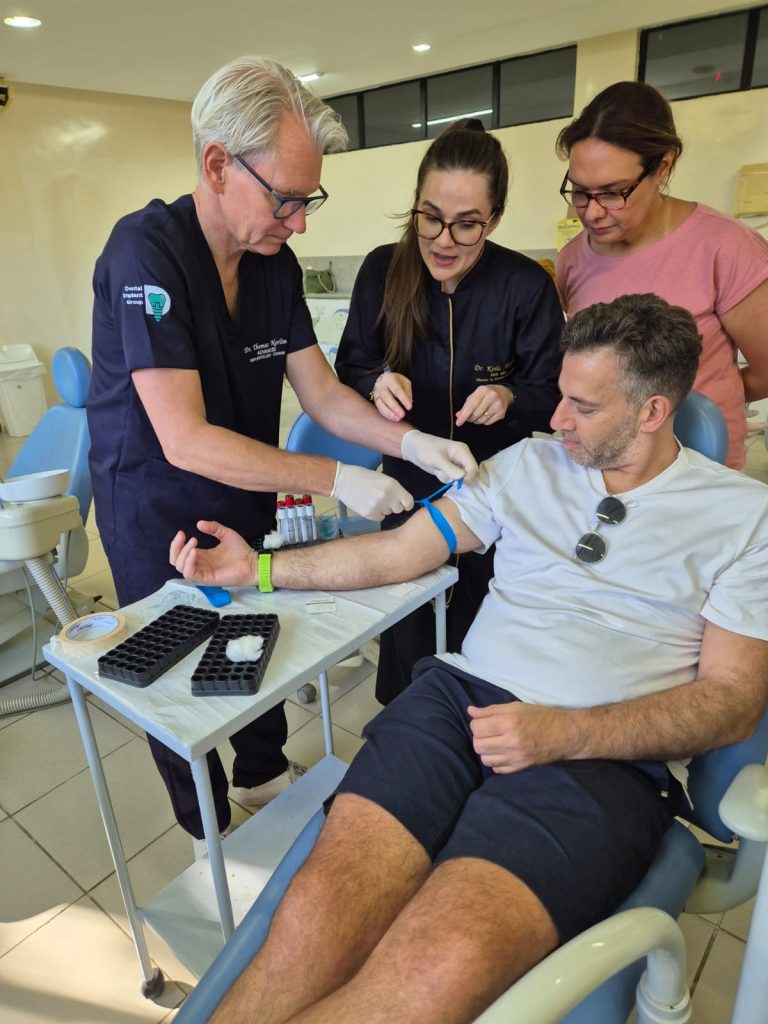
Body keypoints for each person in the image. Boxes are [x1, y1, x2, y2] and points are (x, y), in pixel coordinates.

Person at [169, 293, 768, 1024]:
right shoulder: (526, 465)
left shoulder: (744, 519)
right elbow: (397, 553)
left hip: (600, 758)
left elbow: (732, 702)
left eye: (582, 407)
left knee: (428, 974)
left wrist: (566, 733)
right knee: (312, 922)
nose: (555, 418)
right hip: (456, 708)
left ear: (652, 412)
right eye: (560, 396)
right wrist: (258, 570)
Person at [87, 55, 476, 848]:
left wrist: (412, 442)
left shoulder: (274, 265)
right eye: (287, 199)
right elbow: (184, 438)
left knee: (254, 629)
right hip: (153, 498)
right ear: (217, 166)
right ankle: (204, 823)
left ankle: (261, 770)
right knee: (175, 670)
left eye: (308, 201)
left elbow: (323, 394)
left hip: (246, 484)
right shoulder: (145, 255)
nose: (300, 223)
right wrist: (340, 477)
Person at [335, 118, 563, 703]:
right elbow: (351, 365)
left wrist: (510, 396)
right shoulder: (383, 270)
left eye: (467, 224)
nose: (443, 240)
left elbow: (553, 393)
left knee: (484, 623)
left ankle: (475, 729)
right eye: (430, 217)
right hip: (409, 478)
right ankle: (405, 725)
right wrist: (377, 381)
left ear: (495, 219)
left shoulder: (524, 286)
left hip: (497, 485)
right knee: (409, 618)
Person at [555, 80, 768, 471]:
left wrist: (697, 402)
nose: (593, 212)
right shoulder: (572, 260)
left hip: (694, 465)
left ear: (663, 166)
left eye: (613, 192)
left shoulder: (725, 247)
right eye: (581, 192)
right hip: (606, 463)